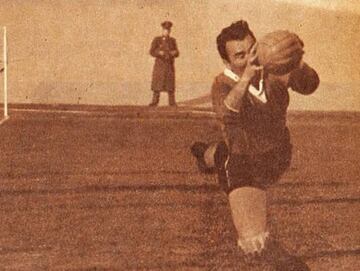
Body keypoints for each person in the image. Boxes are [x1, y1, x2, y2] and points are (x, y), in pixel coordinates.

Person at [191, 20, 319, 270]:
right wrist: (247, 76)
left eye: (252, 49)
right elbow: (227, 114)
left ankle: (207, 153)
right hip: (243, 164)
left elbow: (310, 85)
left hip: (277, 155)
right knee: (255, 243)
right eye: (240, 56)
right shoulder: (222, 84)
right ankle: (204, 154)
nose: (250, 58)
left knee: (221, 150)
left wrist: (297, 60)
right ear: (227, 62)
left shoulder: (274, 70)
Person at [149, 21, 179, 107]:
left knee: (170, 85)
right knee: (157, 85)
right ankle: (155, 101)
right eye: (165, 30)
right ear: (162, 30)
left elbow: (177, 52)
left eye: (168, 30)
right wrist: (159, 52)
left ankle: (172, 102)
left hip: (169, 66)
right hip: (160, 66)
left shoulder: (173, 41)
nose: (167, 32)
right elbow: (151, 51)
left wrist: (173, 53)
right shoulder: (157, 40)